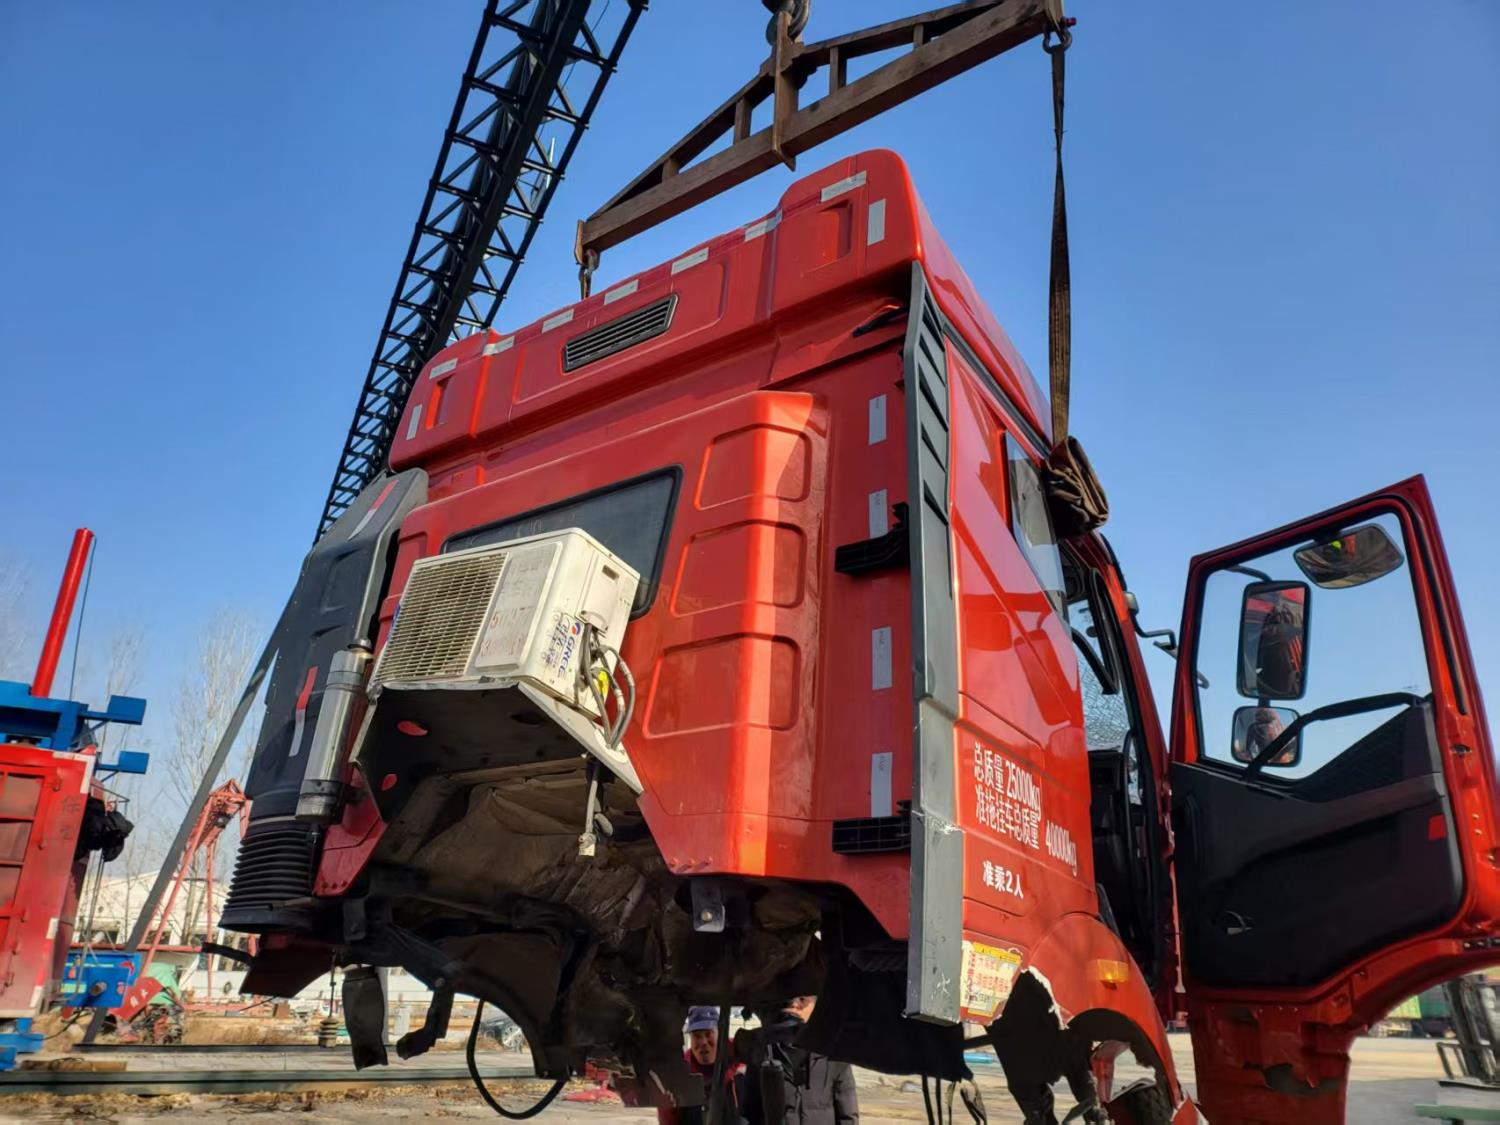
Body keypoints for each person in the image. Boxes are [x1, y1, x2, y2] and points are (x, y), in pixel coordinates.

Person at [741, 996, 859, 1124]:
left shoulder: (833, 1057)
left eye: (803, 1000)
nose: (793, 1004)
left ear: (816, 1008)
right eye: (787, 1000)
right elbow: (749, 1113)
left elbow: (848, 1116)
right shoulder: (762, 1055)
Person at [657, 1005, 742, 1125]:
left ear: (720, 1034)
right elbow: (667, 1114)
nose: (703, 1042)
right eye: (697, 1036)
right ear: (690, 1039)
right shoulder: (681, 1069)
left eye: (708, 1034)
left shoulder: (738, 1051)